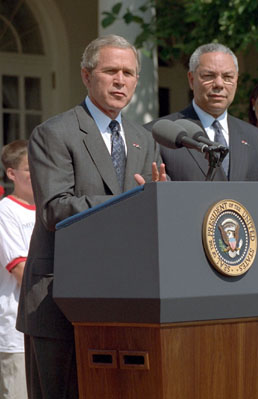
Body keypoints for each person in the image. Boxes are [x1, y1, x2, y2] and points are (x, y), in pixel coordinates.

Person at [16, 34, 164, 399]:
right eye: (111, 70)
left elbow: (146, 215)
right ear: (86, 75)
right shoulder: (54, 133)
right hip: (60, 297)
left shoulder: (143, 139)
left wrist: (159, 201)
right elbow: (55, 208)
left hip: (126, 302)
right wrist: (134, 200)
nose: (121, 80)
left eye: (129, 73)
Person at [149, 43, 258, 182]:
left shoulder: (257, 139)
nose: (219, 84)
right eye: (209, 76)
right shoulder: (160, 136)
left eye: (227, 77)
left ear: (236, 80)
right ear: (191, 80)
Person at [0, 140, 33, 399]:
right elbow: (21, 271)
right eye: (30, 169)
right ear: (12, 174)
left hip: (47, 328)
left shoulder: (49, 209)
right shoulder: (5, 211)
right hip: (16, 331)